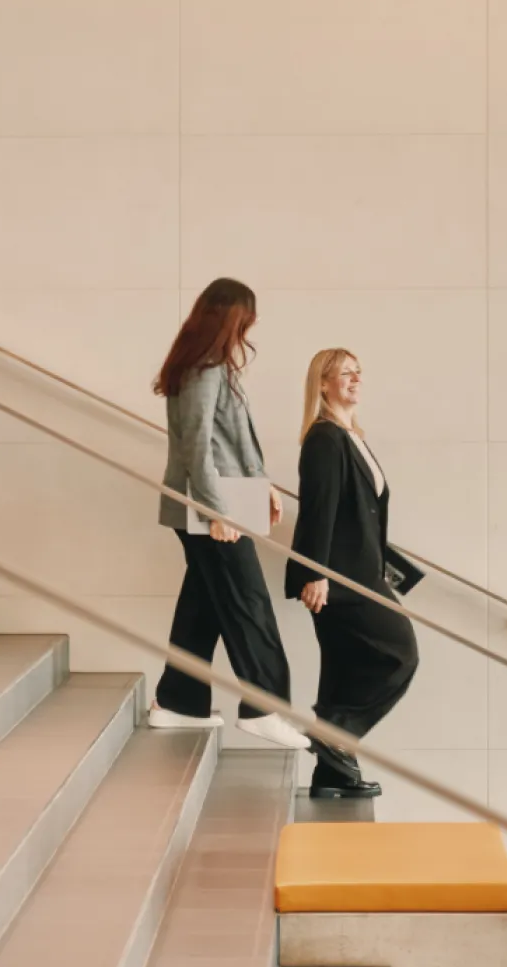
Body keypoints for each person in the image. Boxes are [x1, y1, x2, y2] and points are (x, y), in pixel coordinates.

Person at [148, 278, 308, 749]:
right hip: (210, 506)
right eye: (246, 322)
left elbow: (232, 441)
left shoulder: (212, 366)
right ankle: (264, 706)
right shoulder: (204, 368)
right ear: (229, 318)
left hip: (223, 501)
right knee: (248, 603)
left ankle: (177, 702)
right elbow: (198, 448)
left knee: (203, 606)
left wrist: (265, 488)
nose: (248, 332)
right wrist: (216, 513)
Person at [285, 348, 423, 799]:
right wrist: (315, 572)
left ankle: (333, 777)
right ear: (322, 384)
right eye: (345, 373)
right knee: (399, 653)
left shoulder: (351, 435)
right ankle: (334, 734)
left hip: (360, 572)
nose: (355, 379)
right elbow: (318, 511)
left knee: (342, 671)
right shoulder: (324, 438)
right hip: (339, 579)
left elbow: (365, 515)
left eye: (358, 372)